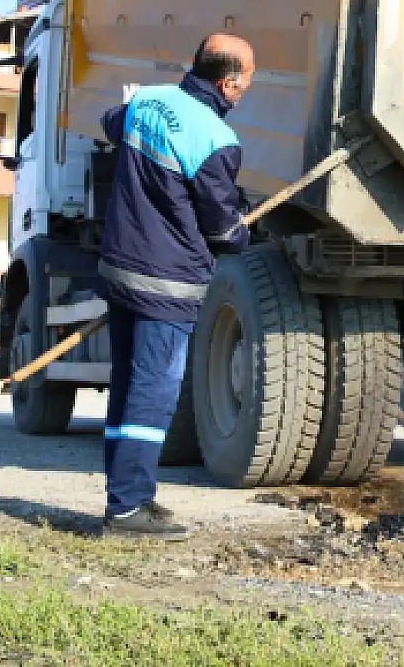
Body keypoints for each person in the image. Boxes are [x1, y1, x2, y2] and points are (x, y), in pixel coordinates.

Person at [96, 33, 254, 539]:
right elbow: (221, 230)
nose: (249, 86)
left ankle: (130, 494)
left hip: (121, 266)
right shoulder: (216, 140)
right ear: (228, 82)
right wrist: (242, 228)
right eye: (249, 77)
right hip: (167, 283)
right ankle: (126, 510)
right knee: (154, 392)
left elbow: (109, 126)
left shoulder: (148, 99)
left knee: (127, 386)